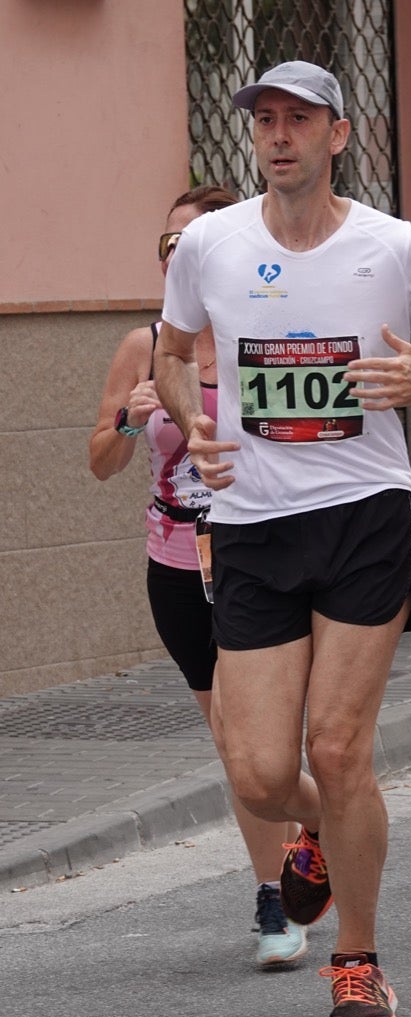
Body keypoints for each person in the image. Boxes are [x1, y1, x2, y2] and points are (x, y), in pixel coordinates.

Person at [152, 60, 411, 1017]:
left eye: (298, 118)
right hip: (253, 524)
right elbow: (170, 357)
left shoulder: (393, 247)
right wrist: (196, 418)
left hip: (363, 513)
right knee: (259, 769)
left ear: (338, 134)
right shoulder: (210, 245)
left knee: (338, 745)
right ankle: (314, 828)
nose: (278, 134)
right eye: (263, 118)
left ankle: (357, 961)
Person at [90, 185, 307, 968]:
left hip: (260, 554)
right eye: (167, 243)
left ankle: (299, 869)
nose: (178, 254)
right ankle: (285, 877)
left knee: (259, 741)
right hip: (176, 564)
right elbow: (100, 463)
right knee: (233, 743)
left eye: (194, 240)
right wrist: (126, 417)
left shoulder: (264, 331)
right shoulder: (143, 344)